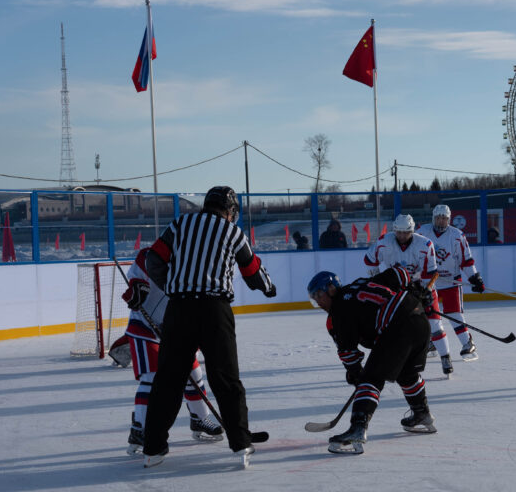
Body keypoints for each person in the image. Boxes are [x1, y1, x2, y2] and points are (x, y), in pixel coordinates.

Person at [142, 186, 276, 468]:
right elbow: (252, 271)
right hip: (215, 310)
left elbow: (152, 259)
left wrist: (172, 286)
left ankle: (153, 447)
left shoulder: (180, 224)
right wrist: (268, 287)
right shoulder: (233, 232)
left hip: (179, 309)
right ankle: (240, 443)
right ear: (230, 211)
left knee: (168, 380)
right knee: (226, 379)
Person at [307, 266, 437, 455]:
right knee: (407, 374)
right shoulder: (360, 284)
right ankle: (422, 414)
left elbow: (348, 352)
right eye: (314, 298)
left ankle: (357, 429)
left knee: (371, 379)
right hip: (419, 320)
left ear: (331, 288)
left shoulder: (339, 311)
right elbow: (399, 273)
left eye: (319, 295)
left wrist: (356, 373)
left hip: (398, 325)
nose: (318, 302)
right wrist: (416, 290)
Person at [119, 249, 224, 455]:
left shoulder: (197, 265)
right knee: (151, 378)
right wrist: (136, 290)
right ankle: (139, 429)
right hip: (145, 329)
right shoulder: (151, 255)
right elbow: (136, 279)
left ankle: (199, 419)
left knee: (194, 374)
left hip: (176, 329)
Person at [363, 213, 453, 377]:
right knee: (393, 325)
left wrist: (425, 292)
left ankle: (446, 357)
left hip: (421, 284)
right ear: (394, 230)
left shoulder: (425, 244)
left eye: (406, 232)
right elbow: (370, 261)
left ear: (412, 231)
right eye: (399, 232)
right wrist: (377, 282)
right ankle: (392, 359)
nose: (402, 236)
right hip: (397, 286)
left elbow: (431, 273)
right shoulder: (384, 242)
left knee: (434, 323)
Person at [416, 204, 485, 362]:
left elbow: (466, 260)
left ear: (449, 219)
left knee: (454, 314)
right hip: (429, 283)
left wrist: (474, 278)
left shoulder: (457, 235)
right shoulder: (422, 232)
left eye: (444, 218)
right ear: (433, 218)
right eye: (438, 218)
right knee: (428, 315)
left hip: (451, 281)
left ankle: (467, 343)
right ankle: (432, 343)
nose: (441, 221)